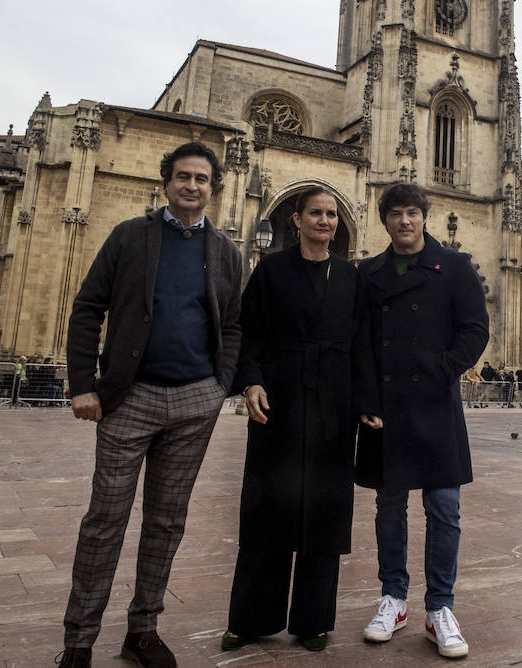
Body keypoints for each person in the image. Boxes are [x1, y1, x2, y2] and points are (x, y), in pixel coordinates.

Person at [57, 142, 242, 668]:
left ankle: (143, 630)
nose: (191, 186)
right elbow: (89, 306)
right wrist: (82, 384)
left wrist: (218, 386)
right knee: (104, 519)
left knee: (166, 522)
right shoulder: (131, 237)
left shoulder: (227, 251)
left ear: (214, 187)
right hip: (129, 398)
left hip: (194, 403)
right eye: (182, 176)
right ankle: (79, 640)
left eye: (202, 179)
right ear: (166, 183)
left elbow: (232, 324)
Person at [222, 187, 373, 653]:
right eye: (316, 213)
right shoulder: (271, 271)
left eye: (331, 214)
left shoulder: (352, 277)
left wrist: (367, 400)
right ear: (297, 219)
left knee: (324, 512)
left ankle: (313, 621)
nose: (325, 221)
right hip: (278, 401)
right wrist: (250, 381)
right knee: (267, 507)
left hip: (333, 405)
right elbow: (247, 332)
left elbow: (363, 343)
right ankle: (251, 619)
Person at [356, 182, 488, 660]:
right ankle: (393, 598)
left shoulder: (455, 267)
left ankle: (440, 608)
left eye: (412, 213)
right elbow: (361, 342)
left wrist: (442, 369)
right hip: (385, 408)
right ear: (384, 219)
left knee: (444, 508)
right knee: (389, 507)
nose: (405, 222)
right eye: (395, 214)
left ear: (424, 217)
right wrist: (366, 398)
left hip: (435, 402)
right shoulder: (368, 273)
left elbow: (475, 329)